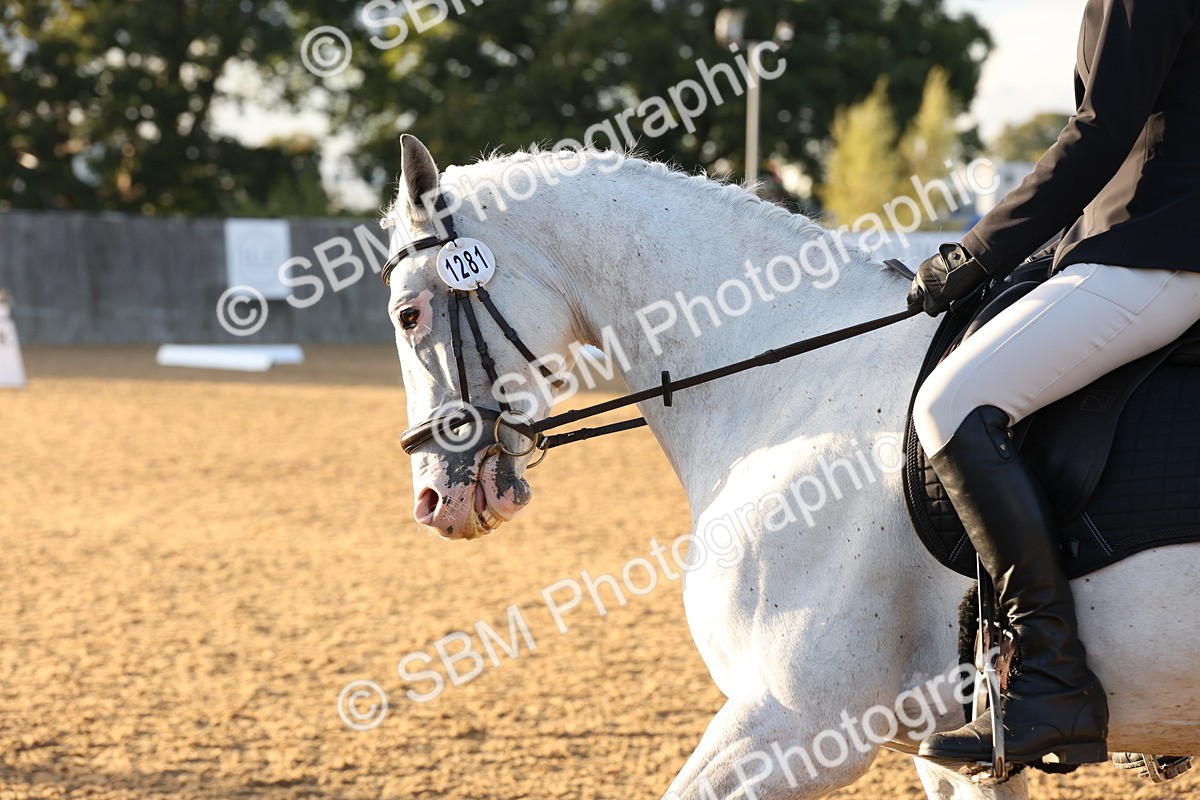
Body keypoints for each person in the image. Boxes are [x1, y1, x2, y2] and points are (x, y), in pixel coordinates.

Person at [907, 0, 1200, 766]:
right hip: (1149, 235)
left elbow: (1102, 131)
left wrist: (978, 250)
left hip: (1159, 246)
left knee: (951, 404)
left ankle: (1051, 678)